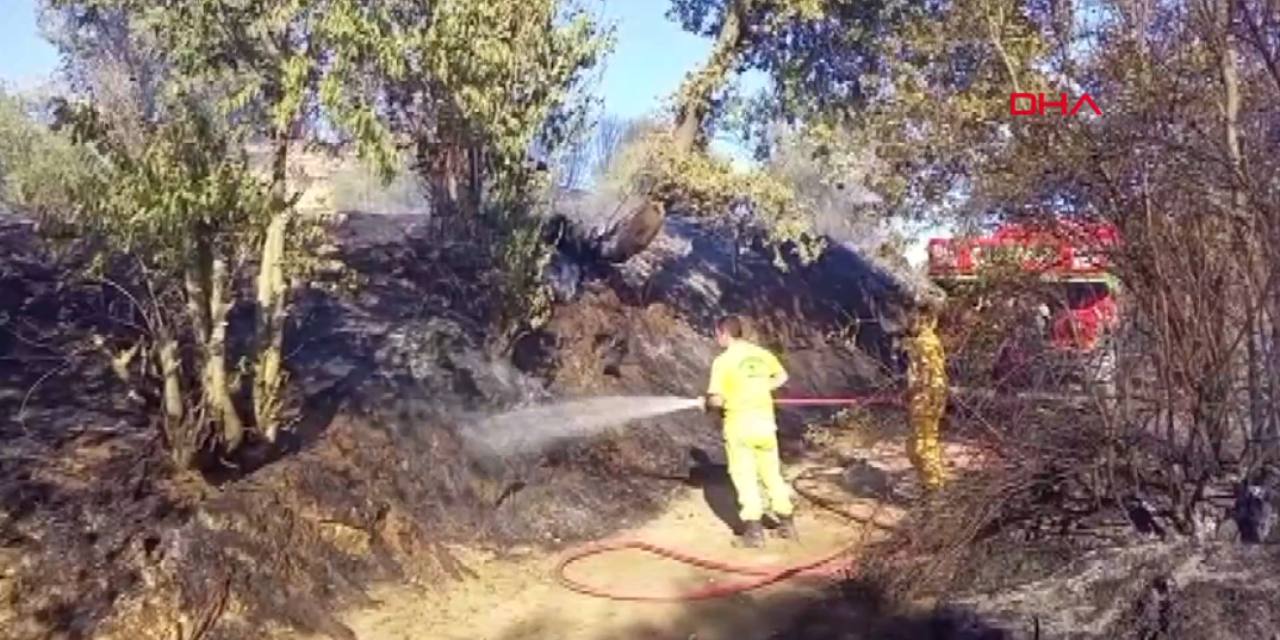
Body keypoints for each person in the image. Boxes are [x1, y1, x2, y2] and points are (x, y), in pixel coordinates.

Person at [701, 315, 795, 548]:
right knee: (772, 474)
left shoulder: (723, 361)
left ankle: (754, 534)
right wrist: (761, 387)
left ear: (723, 333)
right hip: (765, 424)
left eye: (717, 334)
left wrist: (704, 403)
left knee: (745, 477)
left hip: (740, 427)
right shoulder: (761, 354)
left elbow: (718, 401)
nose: (717, 339)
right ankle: (787, 524)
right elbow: (783, 377)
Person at [903, 300, 948, 495]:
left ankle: (933, 489)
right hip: (928, 397)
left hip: (925, 398)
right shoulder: (926, 340)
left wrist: (913, 393)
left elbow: (926, 375)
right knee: (920, 442)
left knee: (923, 444)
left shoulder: (925, 343)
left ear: (924, 319)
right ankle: (929, 485)